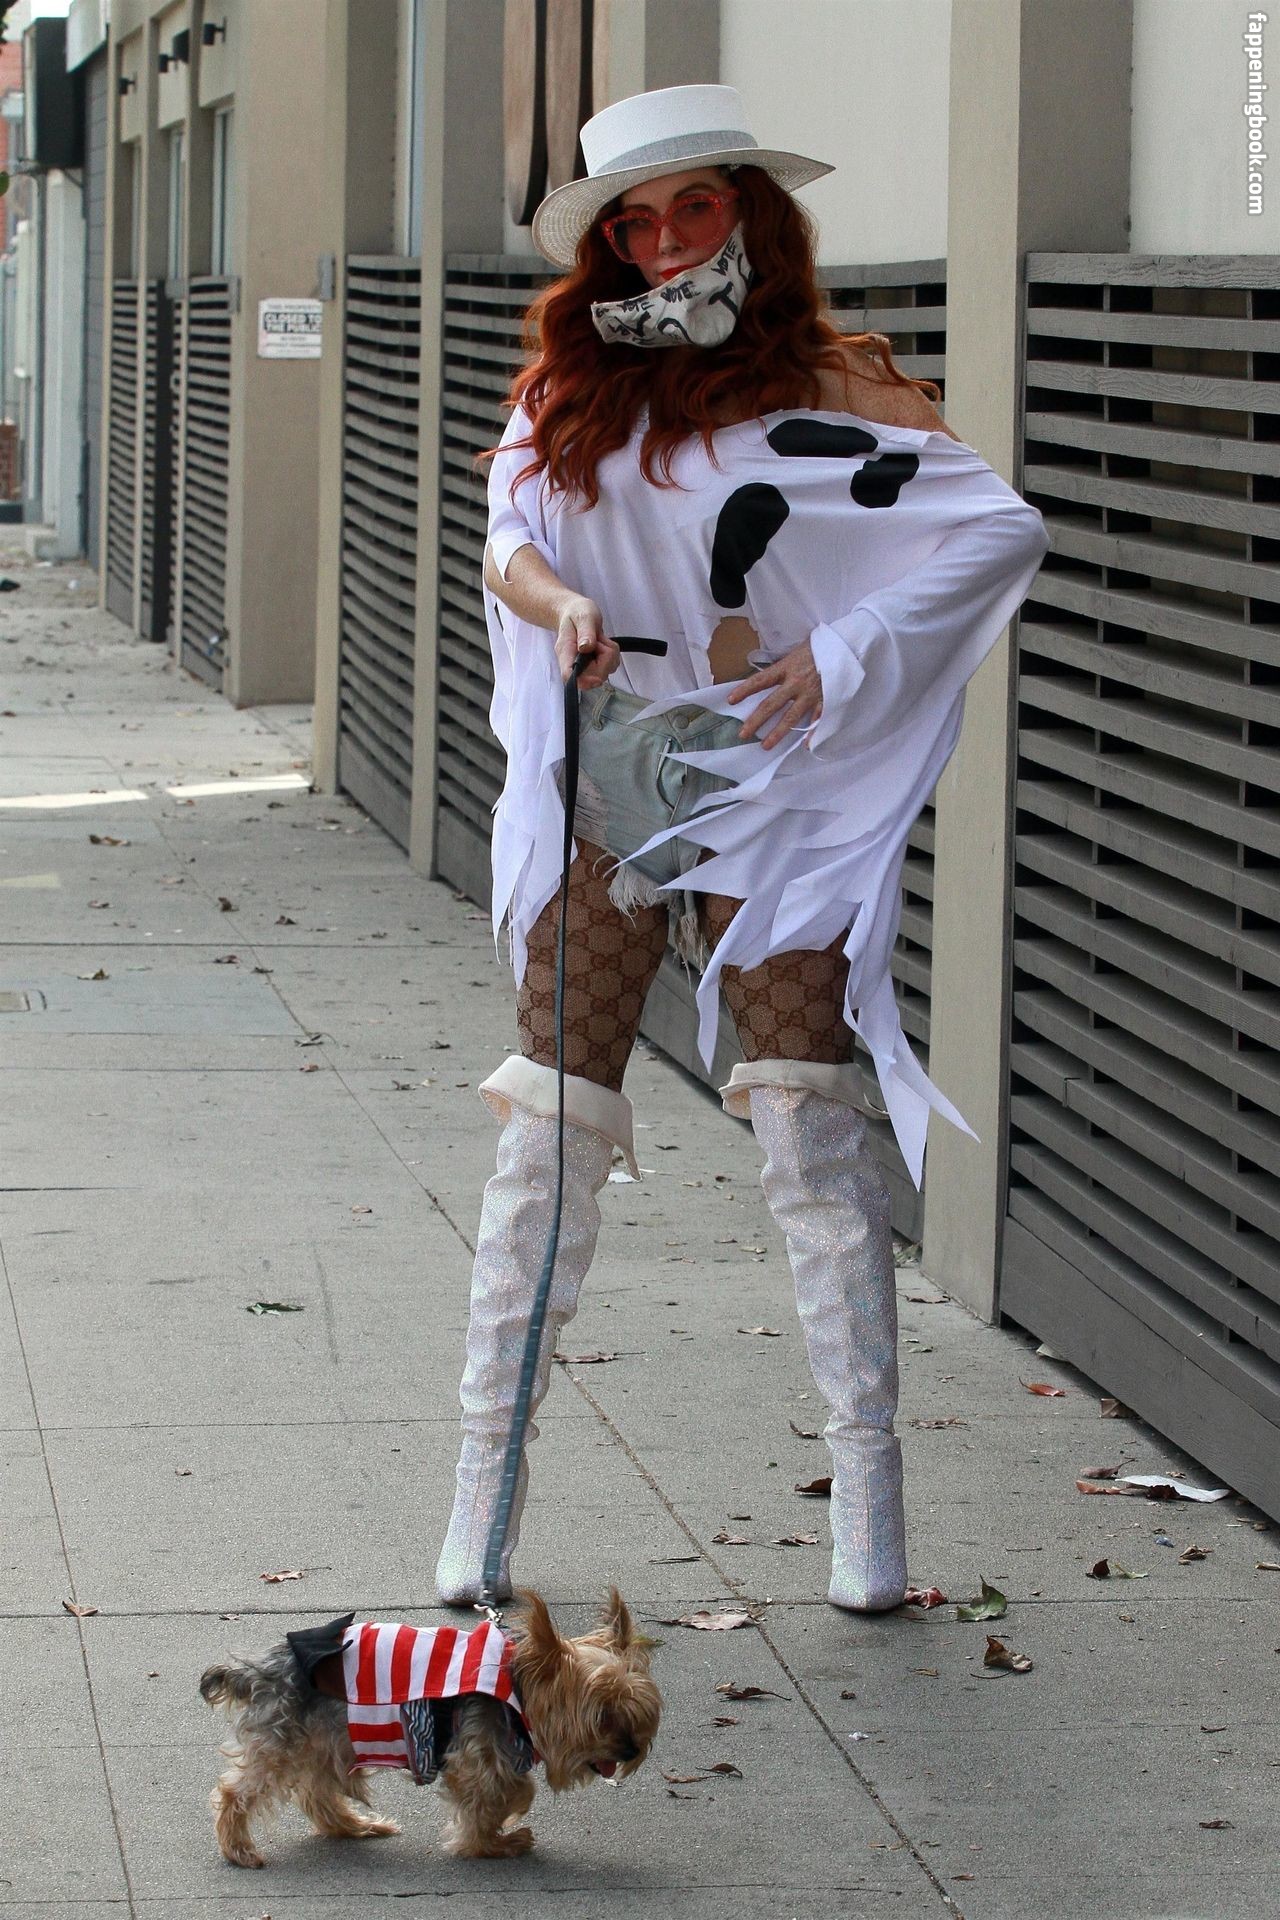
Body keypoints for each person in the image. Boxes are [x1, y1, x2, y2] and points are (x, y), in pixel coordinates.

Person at [435, 83, 1050, 1614]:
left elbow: (997, 529)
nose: (661, 240)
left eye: (692, 206)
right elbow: (505, 533)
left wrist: (843, 656)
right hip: (612, 768)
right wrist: (559, 605)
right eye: (634, 220)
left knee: (806, 1127)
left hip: (775, 783)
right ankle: (481, 1502)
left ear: (749, 214)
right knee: (548, 1134)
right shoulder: (574, 385)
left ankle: (869, 1508)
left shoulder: (837, 383)